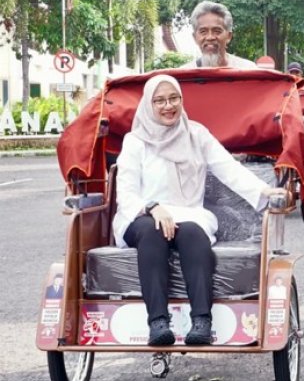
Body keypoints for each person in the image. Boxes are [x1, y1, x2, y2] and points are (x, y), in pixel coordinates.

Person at [112, 74, 285, 346]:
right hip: (142, 215)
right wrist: (152, 207)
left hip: (186, 213)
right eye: (159, 101)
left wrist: (263, 191)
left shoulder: (196, 134)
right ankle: (157, 322)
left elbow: (228, 169)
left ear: (182, 100)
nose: (168, 106)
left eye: (174, 98)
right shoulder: (136, 141)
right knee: (152, 232)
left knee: (194, 234)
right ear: (148, 104)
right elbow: (126, 192)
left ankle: (202, 321)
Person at [183, 1, 256, 69]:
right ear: (195, 37)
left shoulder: (248, 69)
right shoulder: (183, 76)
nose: (210, 37)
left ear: (229, 36)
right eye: (203, 31)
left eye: (217, 31)